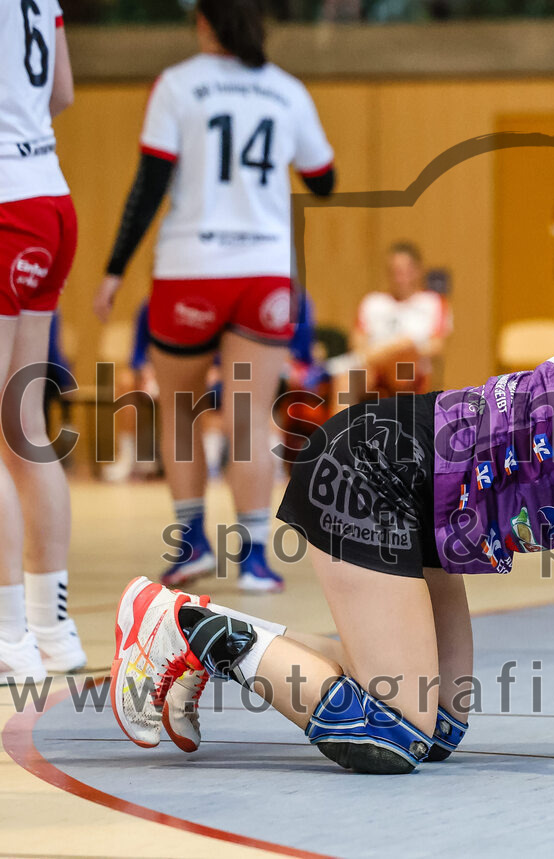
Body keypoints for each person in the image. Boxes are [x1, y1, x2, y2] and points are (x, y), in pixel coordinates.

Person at [112, 255, 554, 788]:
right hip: (377, 468)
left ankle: (202, 636)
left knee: (440, 728)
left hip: (431, 509)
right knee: (394, 733)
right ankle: (183, 624)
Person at [93, 0, 336, 592]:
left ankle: (191, 543)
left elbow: (149, 182)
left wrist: (115, 267)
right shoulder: (287, 90)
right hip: (263, 269)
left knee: (179, 407)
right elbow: (324, 180)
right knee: (250, 414)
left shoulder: (177, 84)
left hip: (191, 266)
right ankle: (255, 558)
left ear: (203, 22)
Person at [0, 0, 87, 683]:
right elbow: (62, 92)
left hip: (5, 203)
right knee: (22, 422)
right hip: (51, 200)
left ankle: (8, 634)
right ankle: (52, 630)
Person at [329, 242, 451, 406]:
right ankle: (340, 431)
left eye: (403, 271)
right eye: (394, 271)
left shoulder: (432, 303)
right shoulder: (373, 303)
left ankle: (401, 425)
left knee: (404, 360)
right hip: (374, 368)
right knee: (347, 380)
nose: (398, 277)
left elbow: (436, 345)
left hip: (410, 370)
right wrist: (384, 356)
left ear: (417, 271)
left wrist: (399, 349)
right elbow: (358, 344)